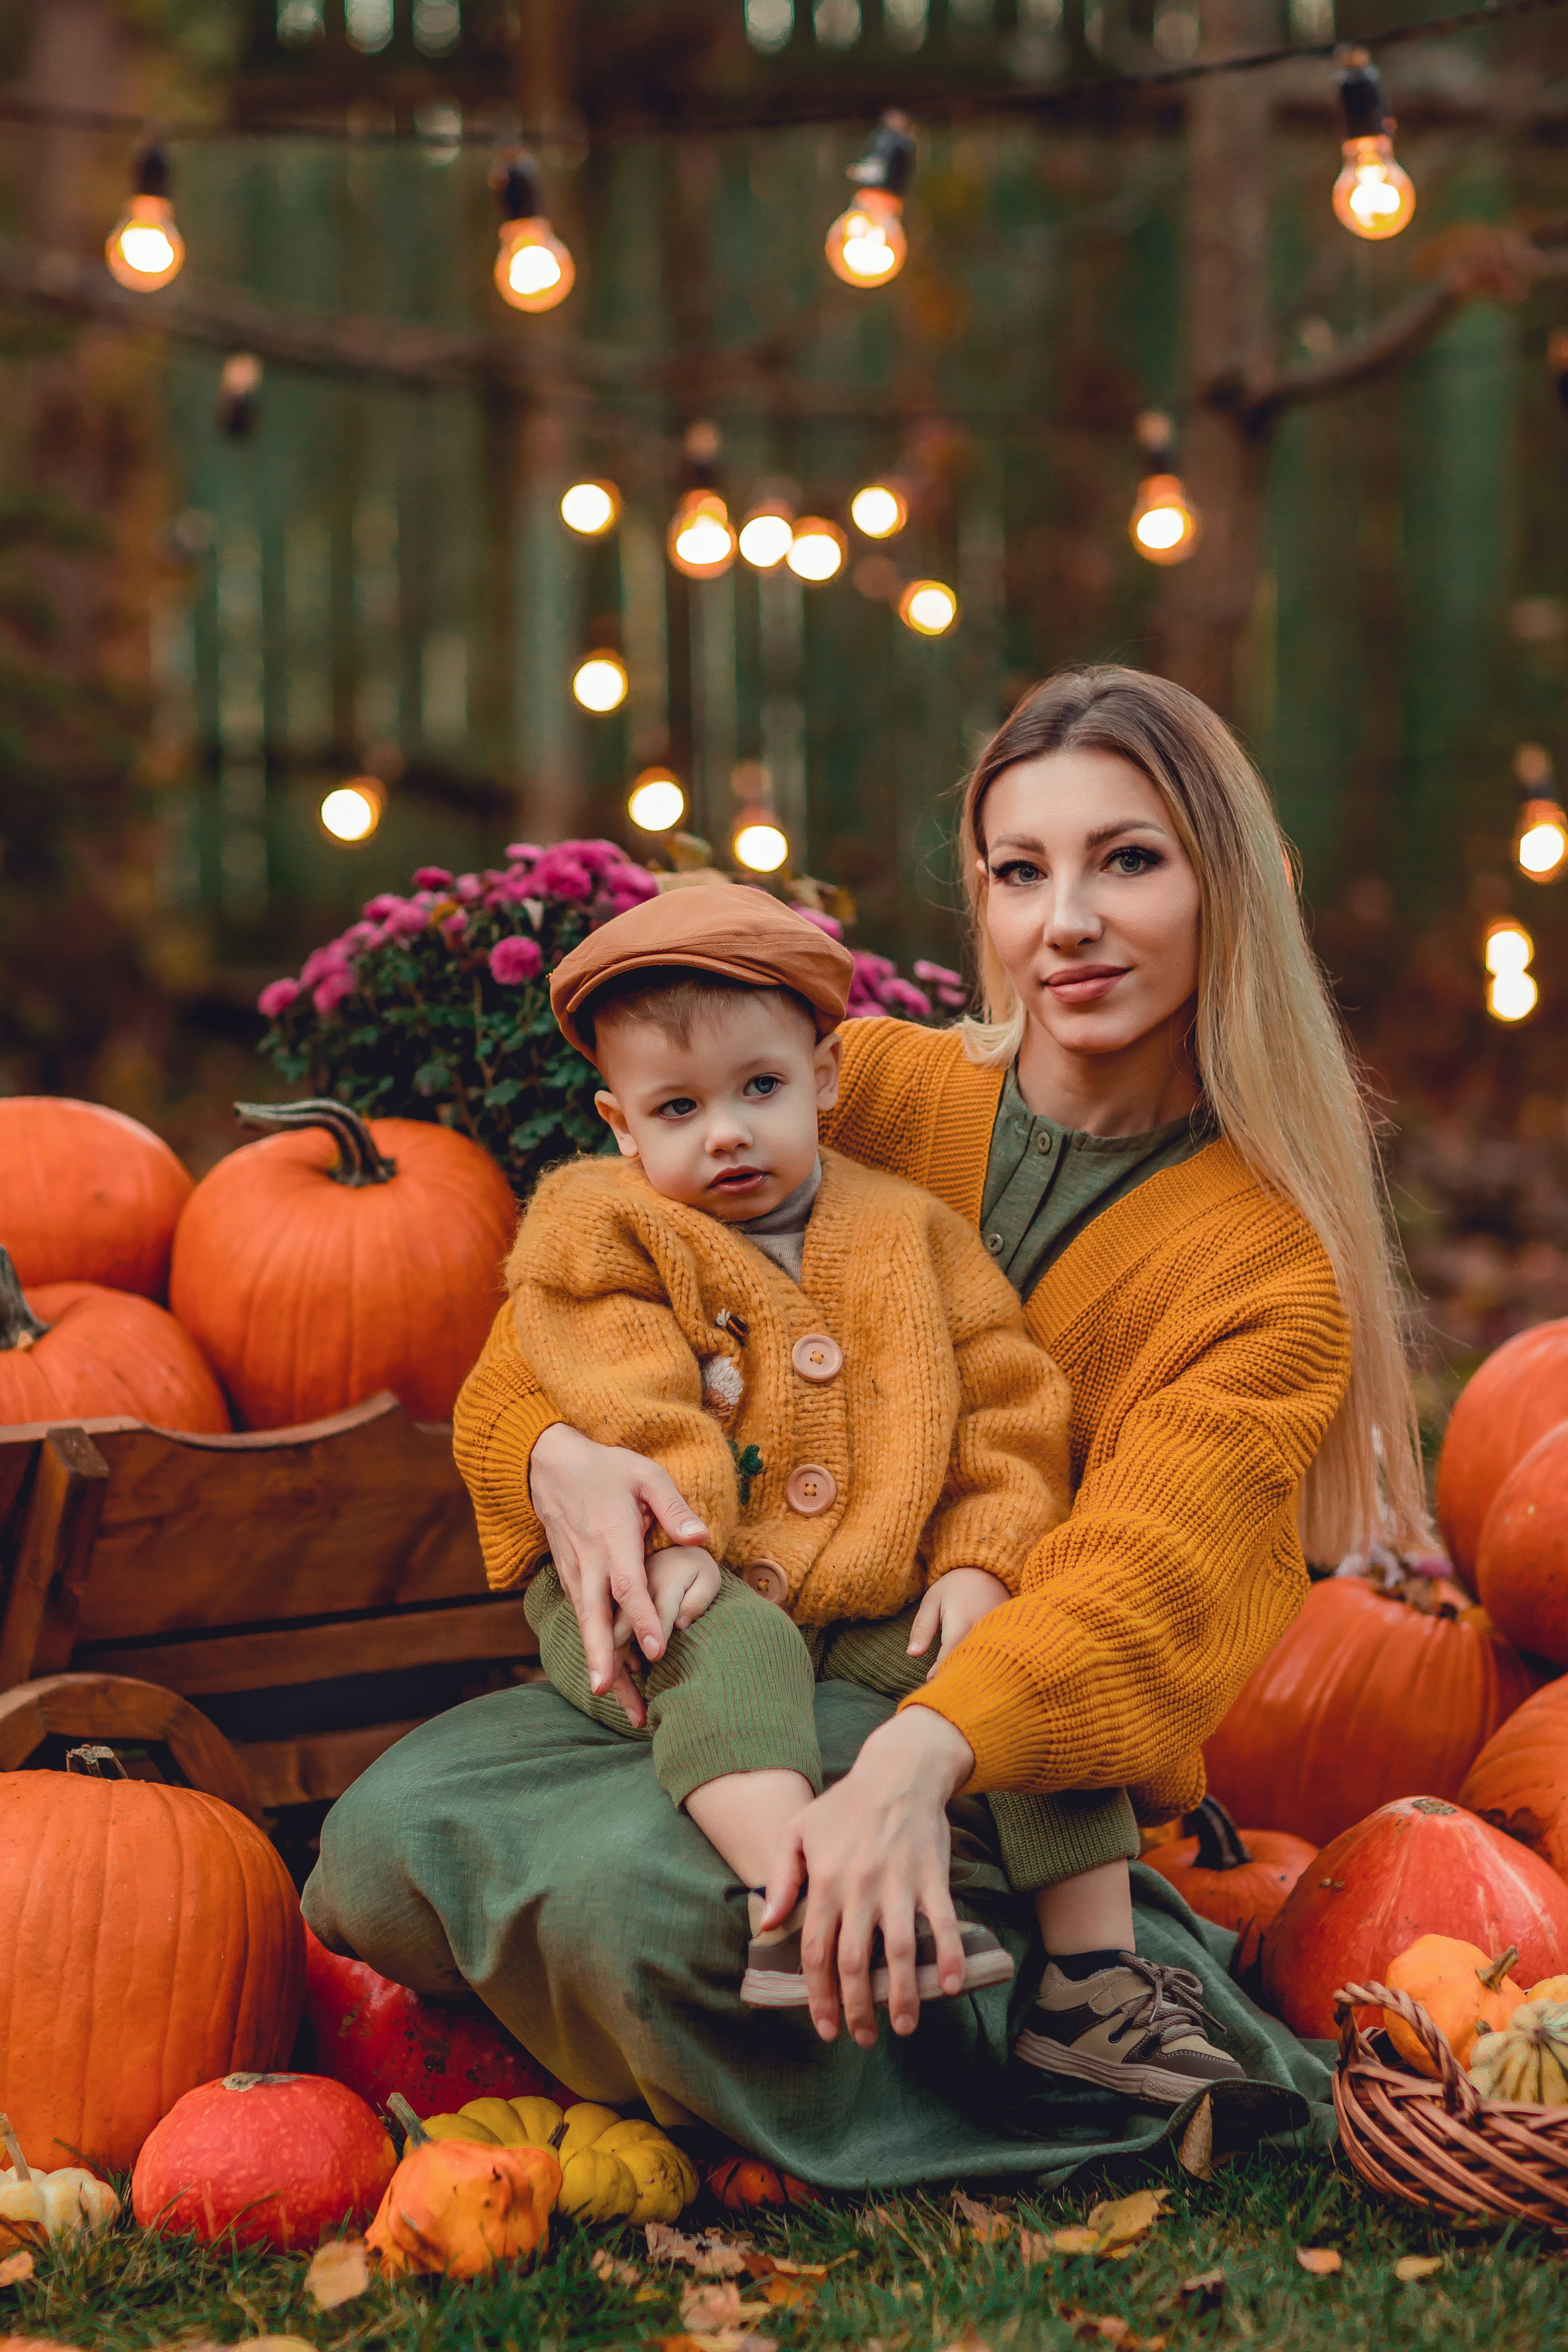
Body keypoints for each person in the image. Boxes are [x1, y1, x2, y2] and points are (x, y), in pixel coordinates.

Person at [302, 666, 1423, 2184]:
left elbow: (1137, 1583)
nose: (1064, 925)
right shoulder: (867, 1090)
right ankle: (1012, 1993)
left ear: (1225, 879)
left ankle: (1080, 2054)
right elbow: (570, 1311)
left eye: (1126, 861)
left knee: (671, 1912)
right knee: (379, 1838)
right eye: (1019, 873)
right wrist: (555, 1459)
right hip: (727, 1647)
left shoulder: (1264, 1269)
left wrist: (912, 1766)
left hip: (990, 1740)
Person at [493, 888, 1240, 2096]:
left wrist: (979, 1562)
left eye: (758, 1091)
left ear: (825, 1076)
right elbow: (617, 1385)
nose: (724, 1133)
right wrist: (677, 1524)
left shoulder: (911, 1232)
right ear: (619, 1126)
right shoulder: (603, 1224)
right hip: (668, 1566)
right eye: (677, 1109)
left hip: (868, 1596)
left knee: (1014, 1668)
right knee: (713, 1640)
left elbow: (1006, 1403)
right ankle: (793, 1898)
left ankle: (1093, 1982)